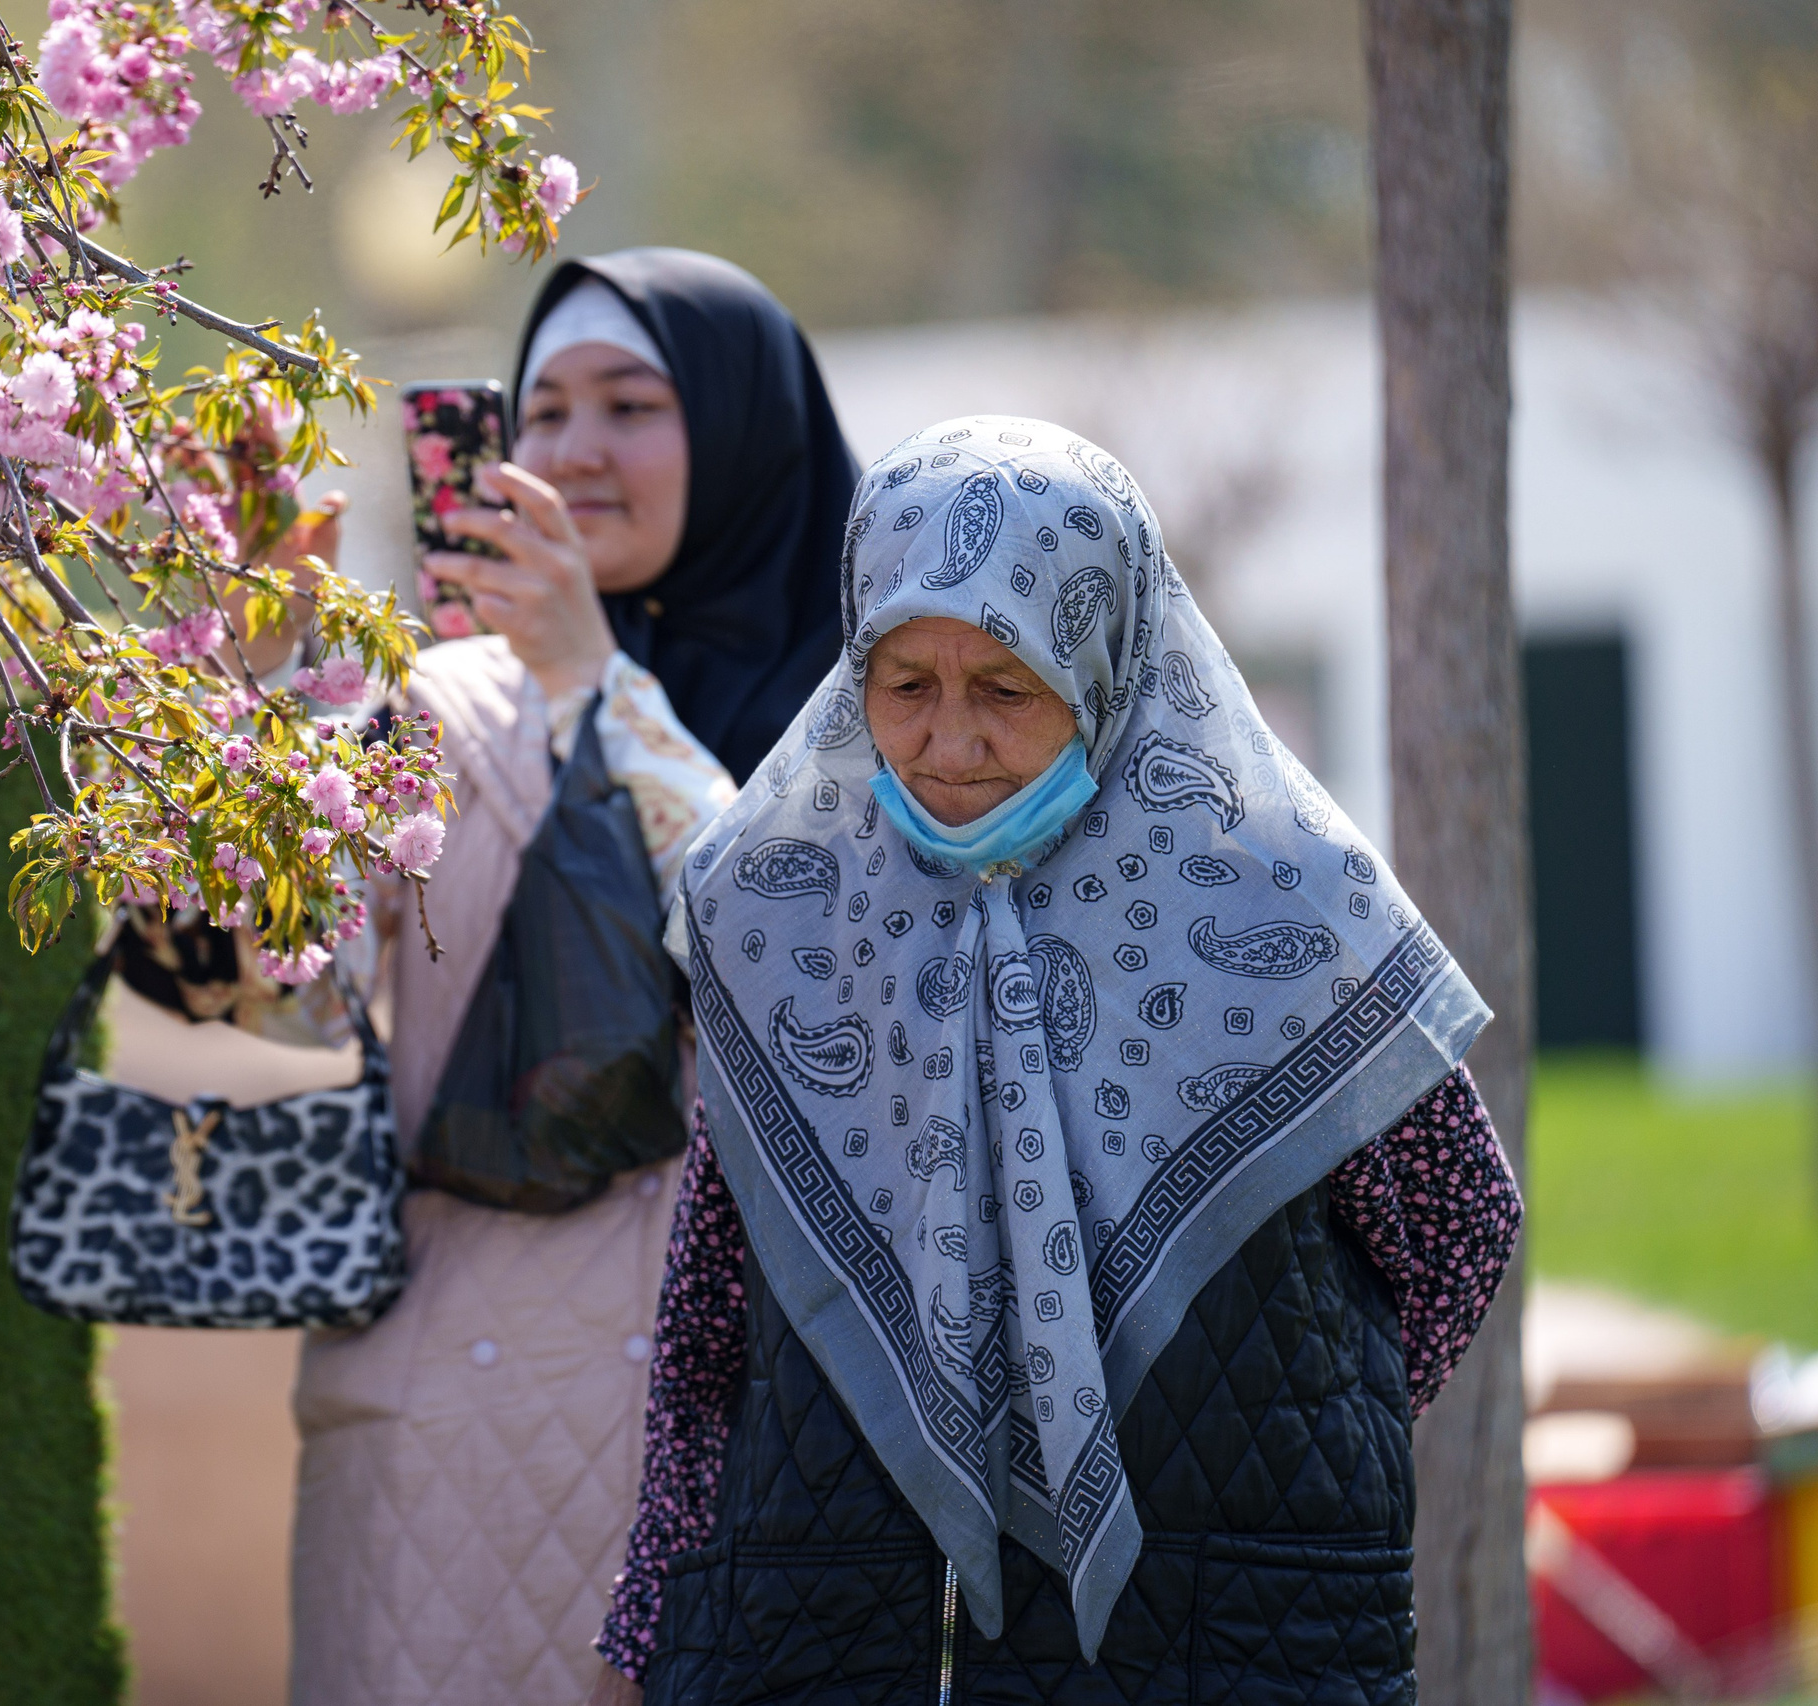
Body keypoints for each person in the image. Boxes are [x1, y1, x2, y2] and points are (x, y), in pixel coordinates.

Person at [586, 416, 1524, 1704]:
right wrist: (649, 1626)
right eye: (905, 685)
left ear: (1106, 665)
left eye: (1008, 687)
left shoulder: (1290, 909)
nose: (949, 744)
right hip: (826, 1636)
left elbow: (1461, 1224)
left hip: (1230, 1639)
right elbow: (706, 1319)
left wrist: (1292, 1444)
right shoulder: (779, 907)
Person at [277, 249, 861, 1706]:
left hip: (758, 1455)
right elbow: (279, 999)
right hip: (442, 1463)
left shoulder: (887, 702)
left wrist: (603, 687)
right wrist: (277, 683)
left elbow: (817, 984)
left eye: (631, 402)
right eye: (543, 410)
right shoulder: (430, 704)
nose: (576, 449)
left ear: (739, 428)